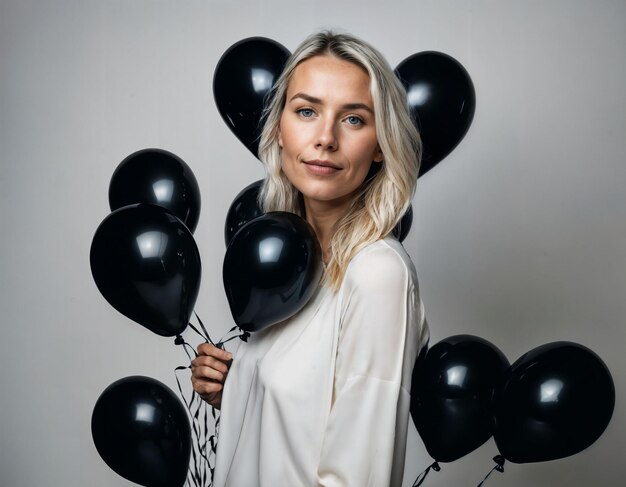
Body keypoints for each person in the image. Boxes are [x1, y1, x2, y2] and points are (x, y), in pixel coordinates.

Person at [191, 30, 429, 487]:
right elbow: (304, 420)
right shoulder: (284, 264)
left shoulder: (378, 275)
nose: (325, 138)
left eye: (354, 120)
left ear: (381, 145)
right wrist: (238, 386)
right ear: (280, 129)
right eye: (306, 111)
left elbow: (360, 475)